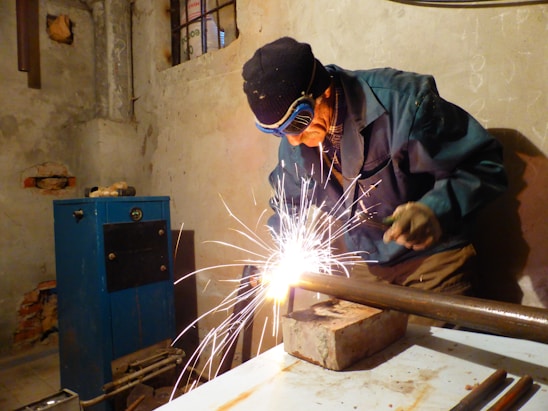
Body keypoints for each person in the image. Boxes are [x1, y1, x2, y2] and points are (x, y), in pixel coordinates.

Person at [241, 37, 507, 299]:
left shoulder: (402, 104)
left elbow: (484, 164)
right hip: (369, 267)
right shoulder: (295, 141)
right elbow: (287, 206)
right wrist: (285, 250)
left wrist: (436, 209)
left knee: (437, 341)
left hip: (434, 261)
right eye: (278, 132)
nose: (292, 139)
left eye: (297, 123)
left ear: (324, 91)